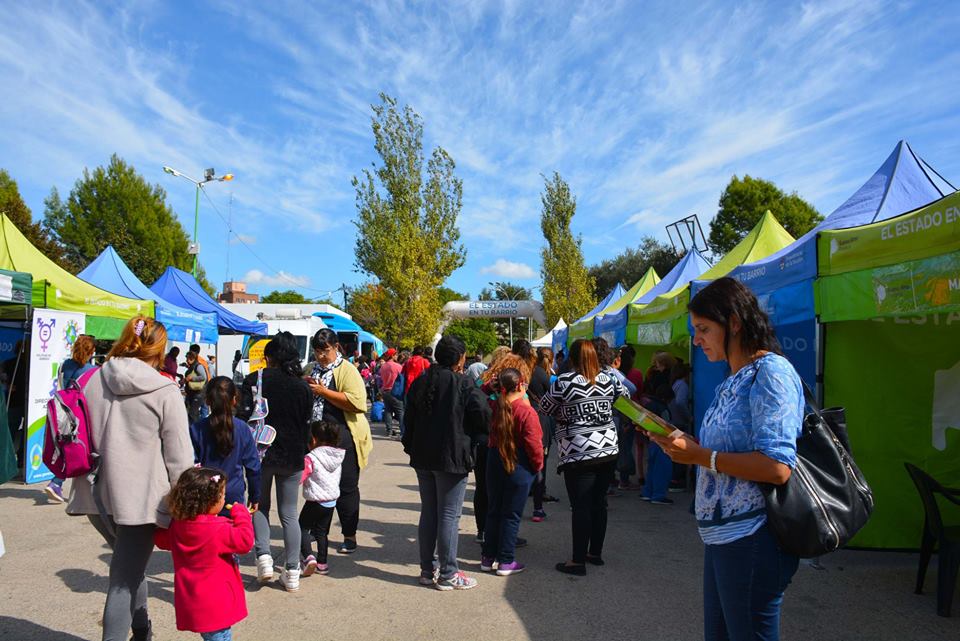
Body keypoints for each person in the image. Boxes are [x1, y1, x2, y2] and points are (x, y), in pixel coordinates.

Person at [648, 277, 803, 641]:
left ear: (734, 322)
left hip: (754, 535)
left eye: (703, 329)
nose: (696, 340)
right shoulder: (733, 379)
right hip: (724, 536)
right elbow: (723, 451)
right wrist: (682, 443)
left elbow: (777, 467)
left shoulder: (772, 373)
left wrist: (702, 456)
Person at [66, 315, 194, 641]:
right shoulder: (165, 389)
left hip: (94, 494)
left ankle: (141, 630)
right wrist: (186, 505)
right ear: (160, 349)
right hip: (141, 503)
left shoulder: (92, 379)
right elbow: (180, 458)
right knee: (123, 578)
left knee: (130, 568)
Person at [402, 335, 490, 590]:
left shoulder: (421, 382)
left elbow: (409, 420)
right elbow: (483, 416)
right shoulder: (463, 384)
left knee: (429, 512)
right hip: (451, 457)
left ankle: (427, 570)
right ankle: (449, 573)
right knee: (449, 515)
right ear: (461, 358)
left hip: (423, 456)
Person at [540, 338, 626, 576]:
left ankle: (577, 562)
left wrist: (569, 413)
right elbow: (625, 399)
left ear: (573, 358)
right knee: (599, 503)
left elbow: (545, 408)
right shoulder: (609, 379)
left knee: (581, 506)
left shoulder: (564, 381)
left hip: (578, 452)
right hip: (608, 449)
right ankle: (595, 554)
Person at [237, 331, 313, 592]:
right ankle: (292, 571)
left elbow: (242, 416)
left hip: (259, 453)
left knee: (259, 505)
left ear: (269, 357)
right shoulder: (303, 386)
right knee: (289, 513)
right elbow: (306, 424)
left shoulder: (253, 380)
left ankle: (264, 558)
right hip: (292, 455)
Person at [155, 466, 253, 641]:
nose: (224, 500)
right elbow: (245, 541)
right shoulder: (218, 528)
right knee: (220, 636)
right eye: (221, 496)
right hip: (217, 602)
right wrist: (241, 514)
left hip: (194, 600)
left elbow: (161, 540)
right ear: (209, 501)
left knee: (212, 635)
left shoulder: (178, 526)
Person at [304, 328, 373, 556]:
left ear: (336, 348)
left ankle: (349, 535)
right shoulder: (312, 369)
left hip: (344, 439)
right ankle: (317, 529)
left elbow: (357, 402)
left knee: (346, 488)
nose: (321, 356)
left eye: (326, 351)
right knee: (318, 488)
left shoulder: (347, 370)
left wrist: (323, 392)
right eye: (317, 351)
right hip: (317, 441)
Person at [481, 368, 543, 576]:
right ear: (520, 385)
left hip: (494, 461)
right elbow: (534, 444)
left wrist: (490, 386)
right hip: (519, 465)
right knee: (511, 515)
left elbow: (479, 393)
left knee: (494, 510)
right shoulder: (526, 412)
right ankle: (506, 560)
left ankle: (488, 558)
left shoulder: (495, 405)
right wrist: (538, 467)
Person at [190, 377, 261, 513]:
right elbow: (253, 467)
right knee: (232, 533)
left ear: (207, 400)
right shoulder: (242, 429)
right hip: (233, 496)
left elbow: (192, 465)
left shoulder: (196, 429)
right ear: (234, 399)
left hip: (205, 494)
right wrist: (255, 495)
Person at [45, 334, 97, 503]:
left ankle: (57, 482)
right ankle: (57, 482)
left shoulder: (65, 365)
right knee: (81, 452)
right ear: (92, 351)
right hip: (79, 413)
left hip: (62, 409)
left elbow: (60, 384)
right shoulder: (91, 370)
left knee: (65, 448)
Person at [298, 419, 345, 577]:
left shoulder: (311, 458)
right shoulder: (337, 456)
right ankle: (322, 563)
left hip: (315, 500)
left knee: (302, 528)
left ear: (313, 439)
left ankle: (308, 557)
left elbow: (301, 477)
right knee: (322, 532)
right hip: (331, 501)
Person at [529, 347, 558, 521]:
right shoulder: (543, 375)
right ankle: (538, 508)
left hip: (528, 416)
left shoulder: (528, 371)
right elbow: (554, 399)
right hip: (541, 419)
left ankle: (532, 492)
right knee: (541, 463)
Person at [639, 383, 676, 505]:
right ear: (667, 398)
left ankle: (647, 492)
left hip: (651, 441)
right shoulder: (663, 408)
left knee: (652, 468)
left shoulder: (649, 405)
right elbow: (667, 426)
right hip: (662, 442)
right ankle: (658, 495)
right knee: (662, 469)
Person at [3, 339, 27, 469]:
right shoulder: (13, 363)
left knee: (13, 431)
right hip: (20, 401)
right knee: (18, 432)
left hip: (16, 401)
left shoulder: (10, 363)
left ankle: (11, 460)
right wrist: (7, 384)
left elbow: (2, 376)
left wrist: (6, 384)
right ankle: (18, 459)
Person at [377, 348, 404, 438]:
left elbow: (381, 379)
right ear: (392, 355)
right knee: (400, 411)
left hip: (385, 391)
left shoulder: (383, 367)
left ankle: (389, 430)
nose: (397, 356)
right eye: (396, 355)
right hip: (395, 391)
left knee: (388, 411)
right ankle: (403, 432)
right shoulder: (398, 366)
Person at [184, 351, 207, 425]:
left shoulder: (198, 366)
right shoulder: (191, 366)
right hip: (191, 393)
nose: (187, 360)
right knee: (192, 413)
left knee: (193, 414)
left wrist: (192, 378)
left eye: (188, 358)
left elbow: (204, 377)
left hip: (198, 393)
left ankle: (194, 431)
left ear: (192, 358)